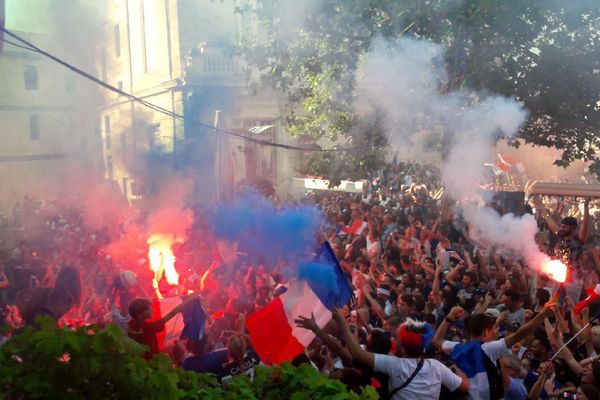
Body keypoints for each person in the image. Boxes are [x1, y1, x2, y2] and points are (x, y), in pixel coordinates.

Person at [331, 307, 469, 399]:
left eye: (396, 340)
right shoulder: (436, 366)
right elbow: (465, 387)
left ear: (402, 347)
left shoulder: (395, 365)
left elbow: (357, 354)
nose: (393, 341)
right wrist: (458, 366)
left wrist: (342, 322)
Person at [431, 302, 556, 400]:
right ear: (486, 331)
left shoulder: (457, 347)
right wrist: (542, 315)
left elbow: (437, 340)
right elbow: (519, 335)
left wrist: (449, 317)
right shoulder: (488, 349)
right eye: (493, 329)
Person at [128, 294, 199, 359]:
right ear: (139, 315)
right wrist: (189, 300)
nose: (152, 310)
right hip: (150, 362)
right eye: (149, 309)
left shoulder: (131, 324)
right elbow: (172, 313)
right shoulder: (149, 327)